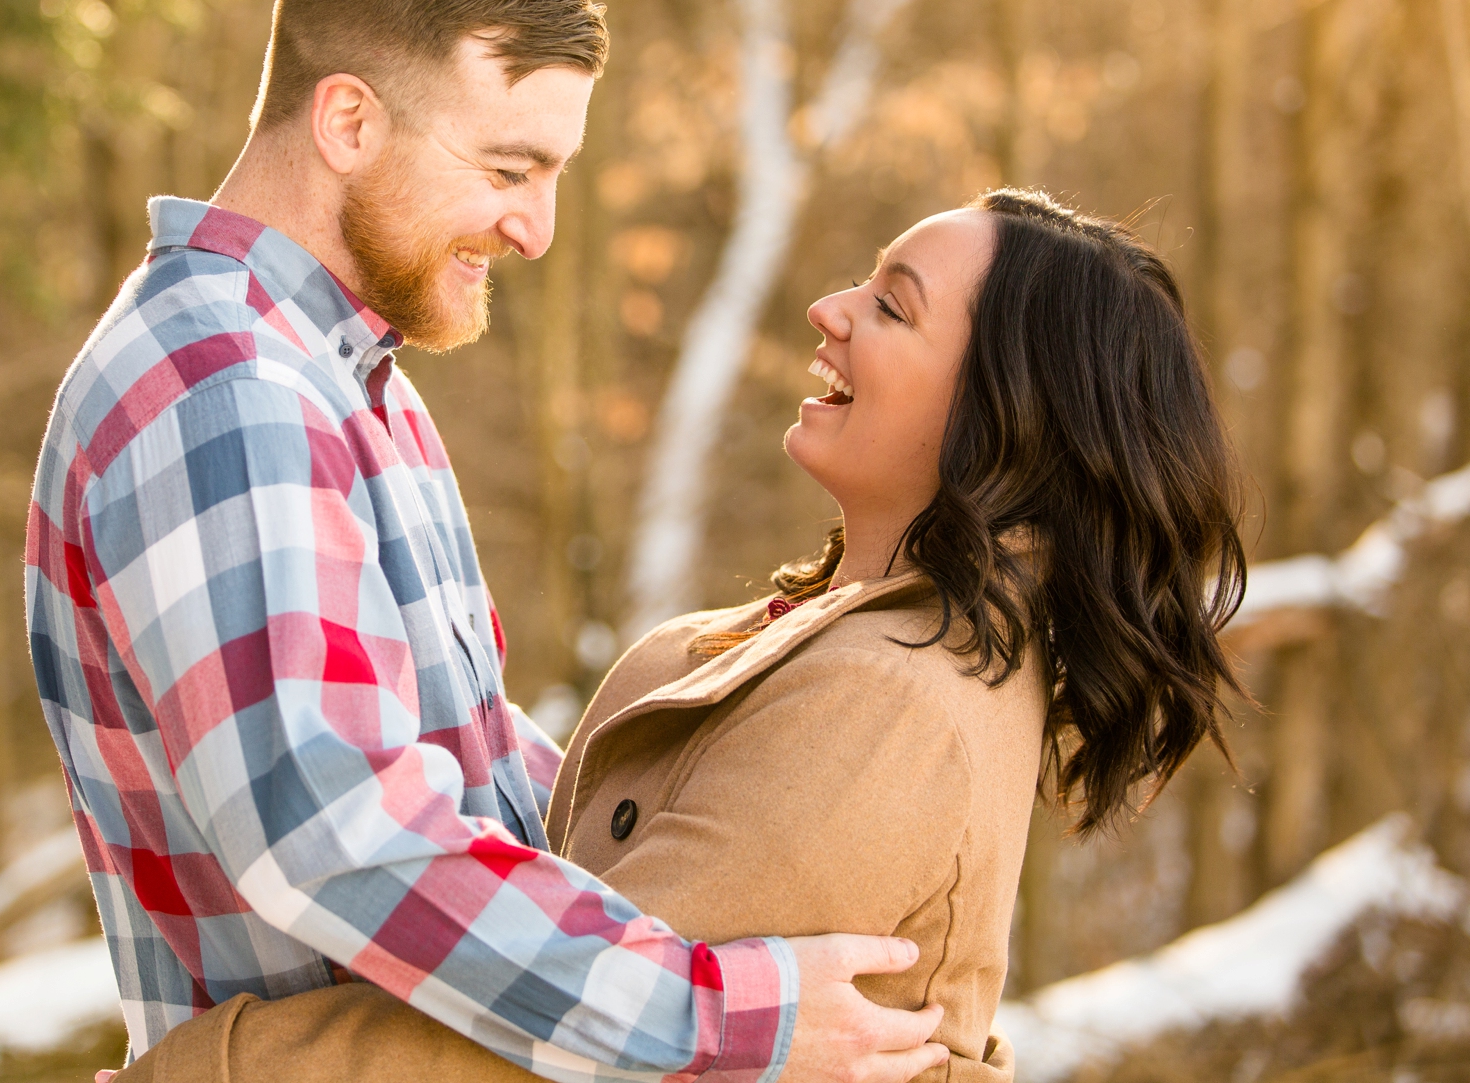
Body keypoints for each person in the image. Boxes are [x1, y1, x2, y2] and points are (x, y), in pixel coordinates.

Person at [25, 0, 950, 1083]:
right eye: (509, 168)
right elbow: (334, 832)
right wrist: (716, 1016)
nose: (537, 230)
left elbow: (458, 770)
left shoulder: (348, 382)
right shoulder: (225, 389)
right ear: (348, 122)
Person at [104, 189, 1249, 1083]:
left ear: (1003, 419)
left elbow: (555, 1044)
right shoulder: (836, 640)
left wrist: (208, 1067)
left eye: (891, 306)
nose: (830, 308)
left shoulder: (890, 705)